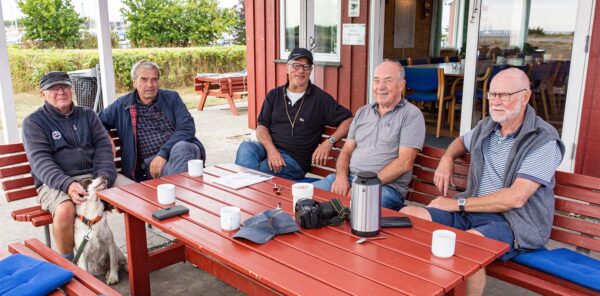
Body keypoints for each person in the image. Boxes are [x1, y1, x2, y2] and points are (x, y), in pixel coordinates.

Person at [401, 68, 565, 295]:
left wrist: (457, 204)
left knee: (465, 248)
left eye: (505, 95)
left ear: (525, 97)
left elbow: (516, 198)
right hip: (472, 212)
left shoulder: (543, 140)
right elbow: (460, 141)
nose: (496, 101)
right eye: (492, 94)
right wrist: (447, 157)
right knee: (410, 215)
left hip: (513, 222)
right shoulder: (487, 127)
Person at [22, 71, 132, 261]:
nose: (60, 91)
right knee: (65, 210)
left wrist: (104, 178)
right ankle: (69, 265)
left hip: (95, 176)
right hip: (57, 182)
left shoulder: (87, 115)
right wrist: (68, 185)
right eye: (53, 88)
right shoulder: (33, 122)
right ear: (43, 94)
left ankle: (138, 256)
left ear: (71, 89)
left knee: (135, 195)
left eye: (64, 86)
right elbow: (40, 161)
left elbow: (103, 147)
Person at [313, 61, 426, 210]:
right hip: (348, 178)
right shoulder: (363, 112)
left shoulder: (411, 115)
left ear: (401, 85)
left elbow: (405, 162)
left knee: (355, 212)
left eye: (388, 80)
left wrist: (364, 186)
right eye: (377, 80)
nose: (381, 86)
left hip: (385, 187)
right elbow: (346, 151)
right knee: (304, 197)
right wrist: (340, 177)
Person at [235, 48, 353, 180]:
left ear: (311, 70)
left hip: (294, 161)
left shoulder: (320, 99)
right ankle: (249, 190)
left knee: (257, 171)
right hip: (269, 149)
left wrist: (329, 141)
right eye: (296, 65)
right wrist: (271, 150)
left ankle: (245, 193)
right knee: (246, 147)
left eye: (306, 67)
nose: (301, 70)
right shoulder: (274, 95)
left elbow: (350, 120)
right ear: (287, 68)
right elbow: (262, 127)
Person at [99, 60, 206, 182]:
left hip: (181, 152)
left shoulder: (172, 98)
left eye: (154, 79)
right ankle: (182, 195)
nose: (150, 85)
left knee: (183, 147)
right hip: (153, 166)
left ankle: (175, 194)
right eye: (144, 79)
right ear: (134, 83)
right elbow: (96, 121)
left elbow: (187, 127)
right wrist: (106, 135)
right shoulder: (122, 105)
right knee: (187, 173)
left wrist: (163, 154)